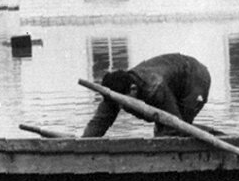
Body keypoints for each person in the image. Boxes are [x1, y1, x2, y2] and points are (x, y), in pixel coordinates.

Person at [82, 53, 212, 138]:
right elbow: (99, 123)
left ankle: (219, 138)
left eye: (122, 103)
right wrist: (83, 144)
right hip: (172, 81)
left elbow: (175, 124)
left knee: (179, 129)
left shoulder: (155, 88)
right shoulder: (114, 92)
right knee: (163, 131)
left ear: (133, 89)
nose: (120, 108)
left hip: (195, 77)